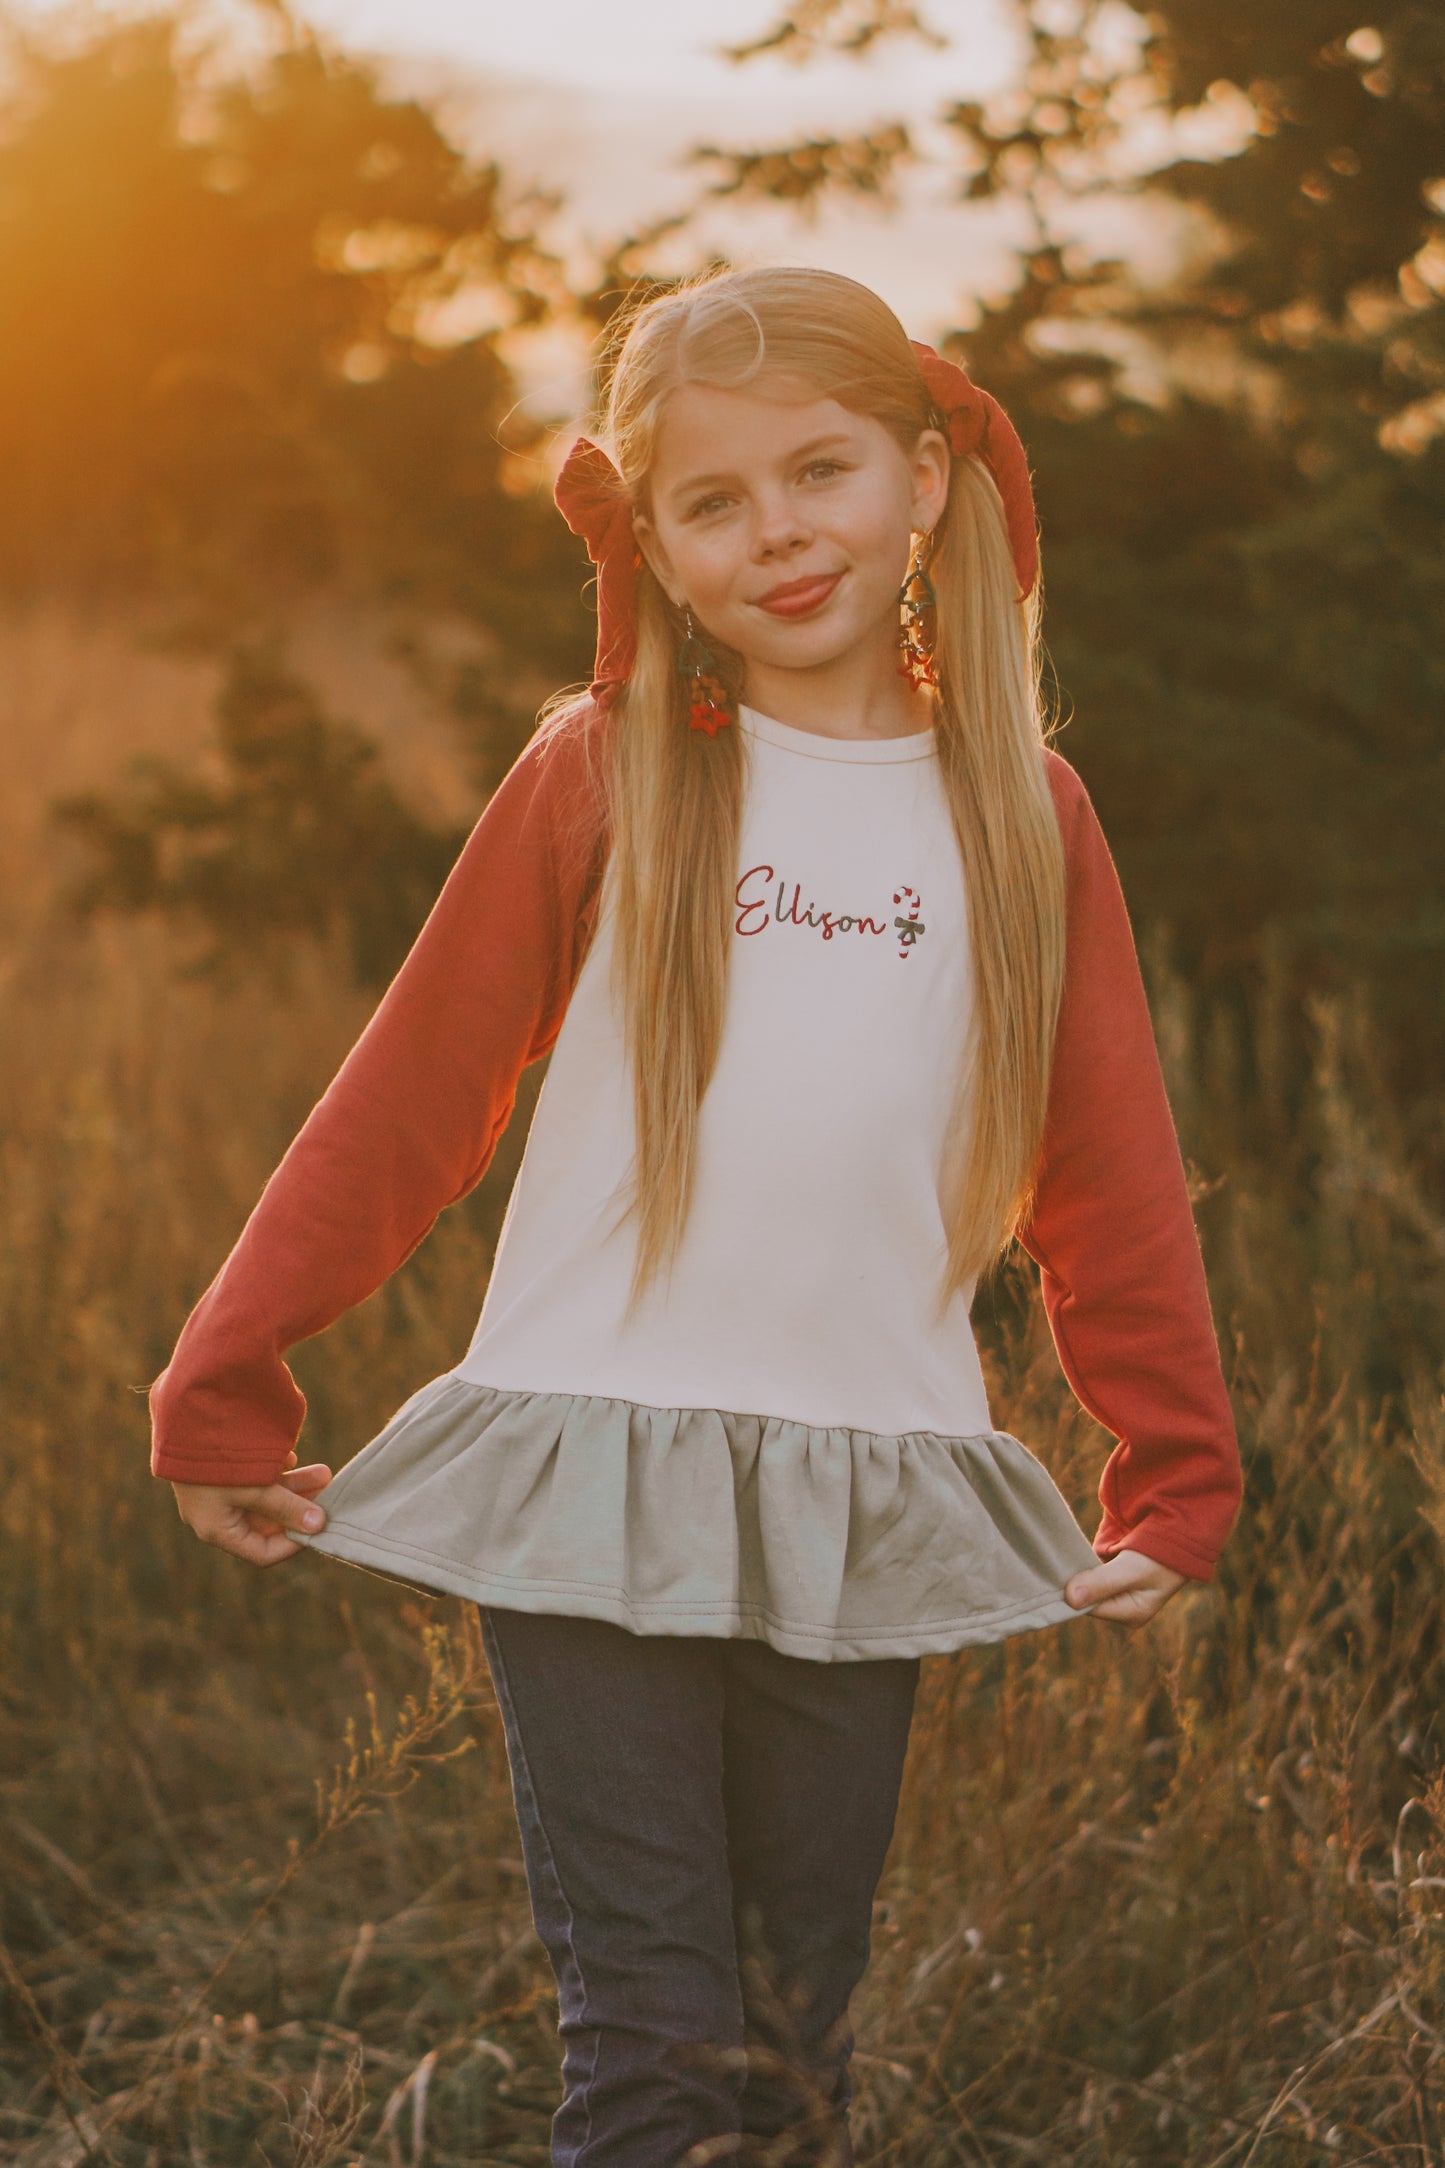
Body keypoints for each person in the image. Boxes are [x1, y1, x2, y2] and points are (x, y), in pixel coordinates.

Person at [150, 265, 1242, 2167]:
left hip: (862, 1478)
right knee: (654, 2045)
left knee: (791, 2061)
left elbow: (1108, 1171)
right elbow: (408, 1100)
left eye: (817, 471)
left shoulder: (1022, 813)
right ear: (647, 536)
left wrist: (1176, 1464)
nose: (776, 534)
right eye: (710, 502)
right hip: (597, 1467)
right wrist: (229, 1370)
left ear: (922, 473)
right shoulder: (607, 773)